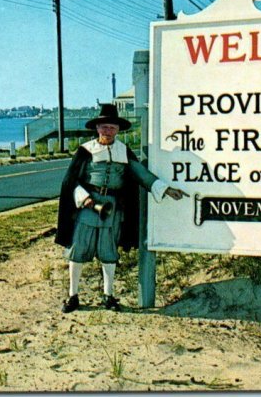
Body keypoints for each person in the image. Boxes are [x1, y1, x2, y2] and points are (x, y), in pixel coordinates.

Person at [55, 103, 187, 313]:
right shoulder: (86, 151)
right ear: (97, 128)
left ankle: (108, 295)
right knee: (78, 248)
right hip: (88, 207)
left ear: (118, 130)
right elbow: (71, 181)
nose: (108, 131)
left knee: (108, 251)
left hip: (112, 209)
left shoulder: (123, 151)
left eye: (112, 127)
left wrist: (165, 189)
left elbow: (141, 174)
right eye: (104, 127)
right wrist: (84, 197)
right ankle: (73, 296)